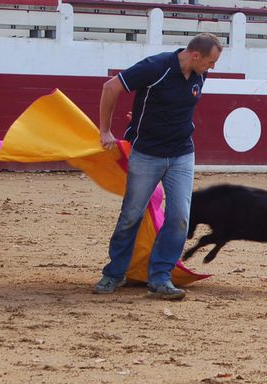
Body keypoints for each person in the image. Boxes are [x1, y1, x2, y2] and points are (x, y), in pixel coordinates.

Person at [93, 33, 223, 300]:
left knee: (180, 217)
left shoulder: (200, 74)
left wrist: (145, 114)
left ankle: (160, 278)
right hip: (147, 154)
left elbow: (175, 106)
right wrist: (104, 131)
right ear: (195, 55)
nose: (212, 68)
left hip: (182, 154)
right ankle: (114, 273)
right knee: (131, 215)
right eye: (210, 62)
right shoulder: (156, 66)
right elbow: (111, 87)